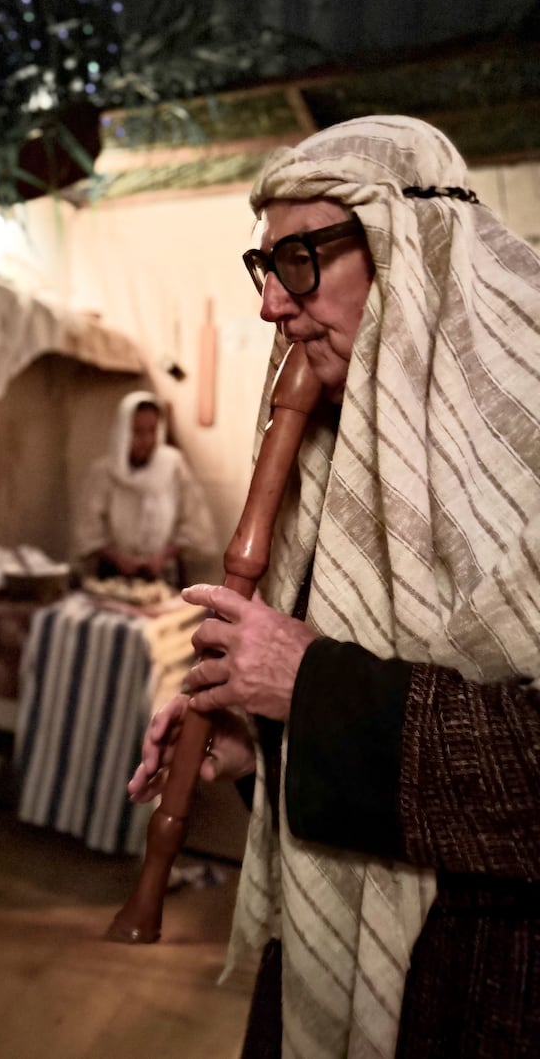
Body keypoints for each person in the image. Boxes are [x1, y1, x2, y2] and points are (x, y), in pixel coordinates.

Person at [127, 115, 540, 1058]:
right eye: (264, 266)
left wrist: (311, 687)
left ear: (412, 248)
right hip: (324, 969)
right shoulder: (336, 453)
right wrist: (262, 735)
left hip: (489, 989)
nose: (273, 305)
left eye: (302, 260)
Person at [72, 389, 218, 587]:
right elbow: (88, 530)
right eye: (138, 432)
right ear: (123, 432)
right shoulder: (104, 473)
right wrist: (117, 557)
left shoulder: (173, 466)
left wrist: (163, 555)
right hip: (113, 576)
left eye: (152, 431)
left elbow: (195, 524)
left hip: (164, 573)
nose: (146, 440)